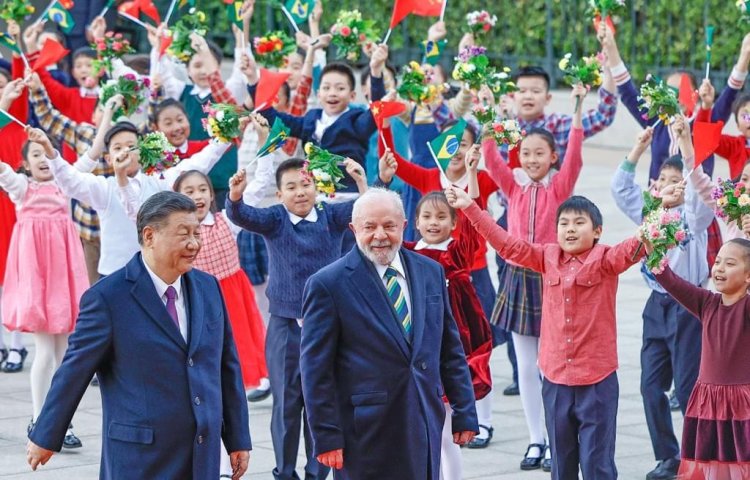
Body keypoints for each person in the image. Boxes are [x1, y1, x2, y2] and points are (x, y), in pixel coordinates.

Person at [26, 191, 252, 479]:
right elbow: (74, 371)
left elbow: (226, 366)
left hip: (202, 453)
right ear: (149, 236)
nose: (194, 244)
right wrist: (45, 435)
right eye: (183, 234)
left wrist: (237, 438)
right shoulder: (108, 298)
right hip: (140, 457)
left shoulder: (208, 287)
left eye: (197, 233)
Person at [447, 188, 645, 480]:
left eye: (579, 222)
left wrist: (662, 208)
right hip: (555, 379)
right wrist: (470, 208)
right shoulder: (546, 256)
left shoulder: (606, 259)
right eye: (563, 223)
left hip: (597, 379)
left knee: (597, 463)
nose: (570, 229)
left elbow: (637, 245)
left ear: (597, 231)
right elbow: (507, 245)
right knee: (561, 463)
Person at [300, 188, 478, 479]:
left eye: (389, 226)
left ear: (404, 226)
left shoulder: (430, 272)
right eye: (369, 227)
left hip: (423, 420)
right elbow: (315, 370)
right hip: (365, 433)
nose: (380, 235)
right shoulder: (328, 284)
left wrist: (464, 411)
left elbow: (449, 348)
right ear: (354, 229)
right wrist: (327, 435)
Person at [226, 158, 367, 480]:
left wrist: (362, 181)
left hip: (328, 325)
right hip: (285, 324)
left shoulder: (331, 215)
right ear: (279, 194)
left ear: (318, 187)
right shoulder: (275, 220)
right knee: (287, 405)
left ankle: (317, 473)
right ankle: (284, 472)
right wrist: (235, 196)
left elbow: (364, 210)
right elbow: (243, 215)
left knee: (322, 401)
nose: (300, 192)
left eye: (306, 184)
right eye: (291, 187)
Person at [481, 87, 585, 471]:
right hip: (517, 278)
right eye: (525, 153)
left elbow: (575, 155)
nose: (532, 159)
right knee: (525, 363)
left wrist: (577, 106)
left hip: (553, 276)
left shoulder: (561, 186)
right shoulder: (513, 186)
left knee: (552, 363)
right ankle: (535, 439)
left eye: (540, 153)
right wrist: (492, 108)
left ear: (552, 157)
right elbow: (491, 156)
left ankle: (560, 439)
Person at [611, 117, 713, 480]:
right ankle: (667, 457)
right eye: (663, 181)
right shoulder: (649, 213)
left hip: (689, 307)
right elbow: (621, 187)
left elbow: (703, 194)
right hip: (656, 305)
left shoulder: (694, 219)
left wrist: (686, 149)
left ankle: (697, 457)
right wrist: (639, 147)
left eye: (677, 181)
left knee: (687, 389)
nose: (669, 187)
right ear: (654, 187)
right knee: (650, 386)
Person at [1, 128, 89, 447]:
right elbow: (2, 170)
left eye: (46, 153)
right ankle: (41, 421)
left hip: (63, 281)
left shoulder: (65, 185)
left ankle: (62, 423)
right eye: (34, 154)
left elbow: (90, 160)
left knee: (65, 355)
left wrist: (107, 115)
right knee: (45, 353)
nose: (42, 159)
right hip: (38, 281)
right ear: (24, 163)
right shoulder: (22, 188)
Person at [651, 239, 750, 480]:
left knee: (742, 464)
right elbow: (672, 282)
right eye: (717, 262)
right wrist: (652, 249)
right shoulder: (707, 303)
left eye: (730, 264)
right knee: (711, 467)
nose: (720, 269)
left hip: (742, 405)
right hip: (708, 403)